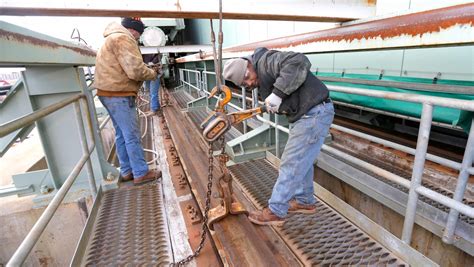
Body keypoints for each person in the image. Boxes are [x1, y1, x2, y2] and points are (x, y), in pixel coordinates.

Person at [223, 47, 335, 226]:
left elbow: (299, 61)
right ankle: (305, 201)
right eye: (244, 86)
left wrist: (277, 95)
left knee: (291, 162)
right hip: (307, 114)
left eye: (247, 80)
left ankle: (276, 211)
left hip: (313, 114)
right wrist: (276, 103)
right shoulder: (260, 74)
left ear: (248, 68)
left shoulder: (267, 62)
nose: (249, 85)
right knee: (300, 160)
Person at [93, 17, 162, 185]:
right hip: (118, 94)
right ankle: (140, 172)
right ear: (133, 30)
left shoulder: (112, 37)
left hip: (108, 93)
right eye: (138, 35)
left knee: (121, 134)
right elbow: (135, 70)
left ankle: (126, 171)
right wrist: (153, 74)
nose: (138, 38)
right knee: (131, 134)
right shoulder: (123, 38)